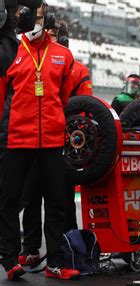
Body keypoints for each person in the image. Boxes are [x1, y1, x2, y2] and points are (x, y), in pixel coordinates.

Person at [0, 1, 80, 280]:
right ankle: (9, 259)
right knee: (9, 200)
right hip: (16, 139)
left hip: (51, 140)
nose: (32, 21)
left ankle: (55, 262)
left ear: (48, 20)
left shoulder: (63, 56)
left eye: (37, 16)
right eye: (28, 15)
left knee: (56, 201)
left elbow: (65, 97)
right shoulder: (11, 52)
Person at [18, 18, 92, 267]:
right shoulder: (30, 57)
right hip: (34, 136)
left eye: (54, 34)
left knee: (61, 199)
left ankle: (66, 246)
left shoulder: (78, 69)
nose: (50, 37)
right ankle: (30, 248)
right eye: (48, 32)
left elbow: (86, 107)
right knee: (30, 195)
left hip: (64, 141)